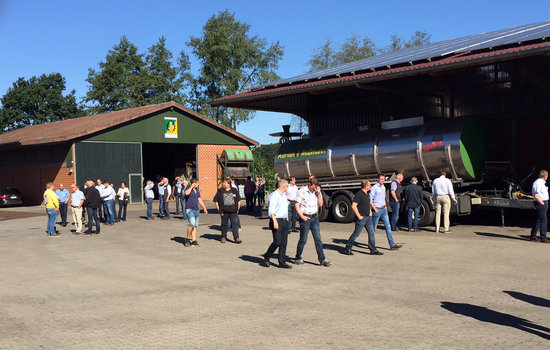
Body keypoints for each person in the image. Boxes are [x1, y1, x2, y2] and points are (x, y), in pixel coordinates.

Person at [293, 177, 331, 266]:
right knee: (303, 240)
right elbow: (296, 205)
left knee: (318, 239)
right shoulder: (302, 191)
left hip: (315, 218)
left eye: (316, 187)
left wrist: (318, 194)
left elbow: (321, 204)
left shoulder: (316, 192)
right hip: (305, 218)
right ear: (310, 184)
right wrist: (301, 216)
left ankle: (322, 259)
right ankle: (298, 257)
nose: (314, 189)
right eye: (313, 187)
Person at [343, 180, 383, 256]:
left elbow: (368, 203)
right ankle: (347, 248)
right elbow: (353, 206)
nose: (371, 186)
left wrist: (370, 212)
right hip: (361, 218)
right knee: (356, 234)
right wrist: (358, 216)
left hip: (368, 217)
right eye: (369, 185)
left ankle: (373, 250)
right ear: (365, 186)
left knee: (371, 233)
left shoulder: (367, 194)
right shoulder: (359, 194)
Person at [262, 179, 292, 269]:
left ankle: (282, 262)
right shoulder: (274, 195)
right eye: (287, 185)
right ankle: (267, 255)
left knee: (284, 243)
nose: (288, 187)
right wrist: (275, 221)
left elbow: (284, 207)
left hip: (284, 221)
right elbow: (272, 210)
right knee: (277, 241)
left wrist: (286, 217)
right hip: (276, 220)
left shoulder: (284, 195)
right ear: (283, 186)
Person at [371, 174, 402, 250]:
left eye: (384, 179)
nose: (383, 180)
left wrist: (385, 206)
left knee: (388, 227)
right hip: (377, 210)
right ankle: (371, 245)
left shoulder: (383, 187)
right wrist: (374, 209)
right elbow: (370, 199)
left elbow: (383, 197)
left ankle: (392, 244)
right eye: (381, 179)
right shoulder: (374, 188)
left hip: (383, 210)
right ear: (377, 179)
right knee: (373, 229)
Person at [213, 178, 242, 244]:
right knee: (224, 225)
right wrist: (219, 210)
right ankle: (223, 237)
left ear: (229, 184)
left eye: (225, 183)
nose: (223, 184)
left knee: (235, 225)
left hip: (233, 212)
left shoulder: (234, 190)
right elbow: (216, 201)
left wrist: (238, 209)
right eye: (223, 182)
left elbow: (239, 200)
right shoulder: (220, 191)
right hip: (224, 212)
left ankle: (236, 238)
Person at [184, 179, 208, 246]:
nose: (198, 185)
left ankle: (194, 240)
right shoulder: (188, 188)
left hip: (196, 209)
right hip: (189, 209)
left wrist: (204, 208)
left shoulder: (197, 191)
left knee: (195, 225)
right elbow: (186, 193)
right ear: (194, 183)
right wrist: (191, 187)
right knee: (192, 223)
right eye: (197, 183)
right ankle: (188, 239)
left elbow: (199, 200)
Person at [530, 169, 549, 243]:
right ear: (545, 176)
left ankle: (533, 236)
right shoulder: (538, 183)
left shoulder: (541, 183)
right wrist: (542, 203)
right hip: (541, 203)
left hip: (543, 203)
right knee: (544, 220)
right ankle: (543, 237)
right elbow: (536, 195)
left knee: (538, 220)